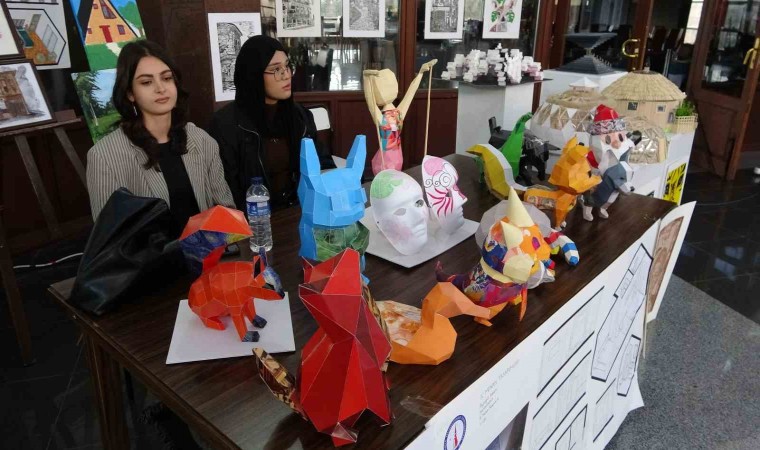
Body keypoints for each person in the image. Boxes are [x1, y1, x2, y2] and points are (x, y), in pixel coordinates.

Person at [86, 40, 234, 235]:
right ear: (130, 93)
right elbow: (110, 238)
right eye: (146, 82)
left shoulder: (202, 140)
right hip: (150, 255)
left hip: (209, 250)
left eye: (166, 78)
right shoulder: (104, 156)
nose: (160, 88)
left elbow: (226, 210)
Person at [209, 35, 335, 211]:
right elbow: (227, 192)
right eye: (276, 69)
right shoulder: (226, 125)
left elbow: (322, 162)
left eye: (287, 66)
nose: (286, 75)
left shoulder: (300, 117)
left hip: (300, 211)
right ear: (253, 75)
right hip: (255, 219)